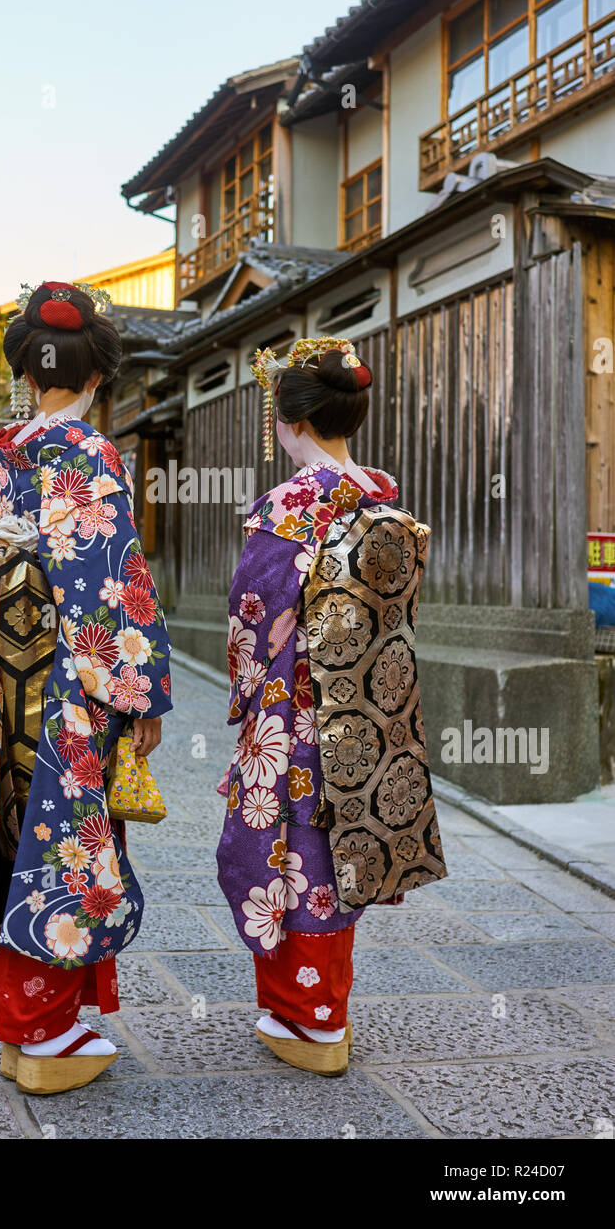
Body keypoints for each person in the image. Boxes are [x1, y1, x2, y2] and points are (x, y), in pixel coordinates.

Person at [0, 279, 172, 1096]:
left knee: (13, 839)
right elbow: (115, 586)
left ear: (27, 376)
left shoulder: (4, 458)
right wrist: (141, 694)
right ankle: (46, 1032)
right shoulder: (89, 457)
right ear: (101, 377)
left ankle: (20, 1026)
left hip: (7, 694)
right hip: (71, 696)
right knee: (64, 849)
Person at [216, 337, 448, 1076]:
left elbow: (253, 613)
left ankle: (308, 1019)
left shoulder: (286, 508)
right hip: (369, 712)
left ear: (288, 422)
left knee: (295, 851)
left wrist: (247, 689)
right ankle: (325, 1007)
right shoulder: (384, 500)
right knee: (342, 844)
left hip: (297, 707)